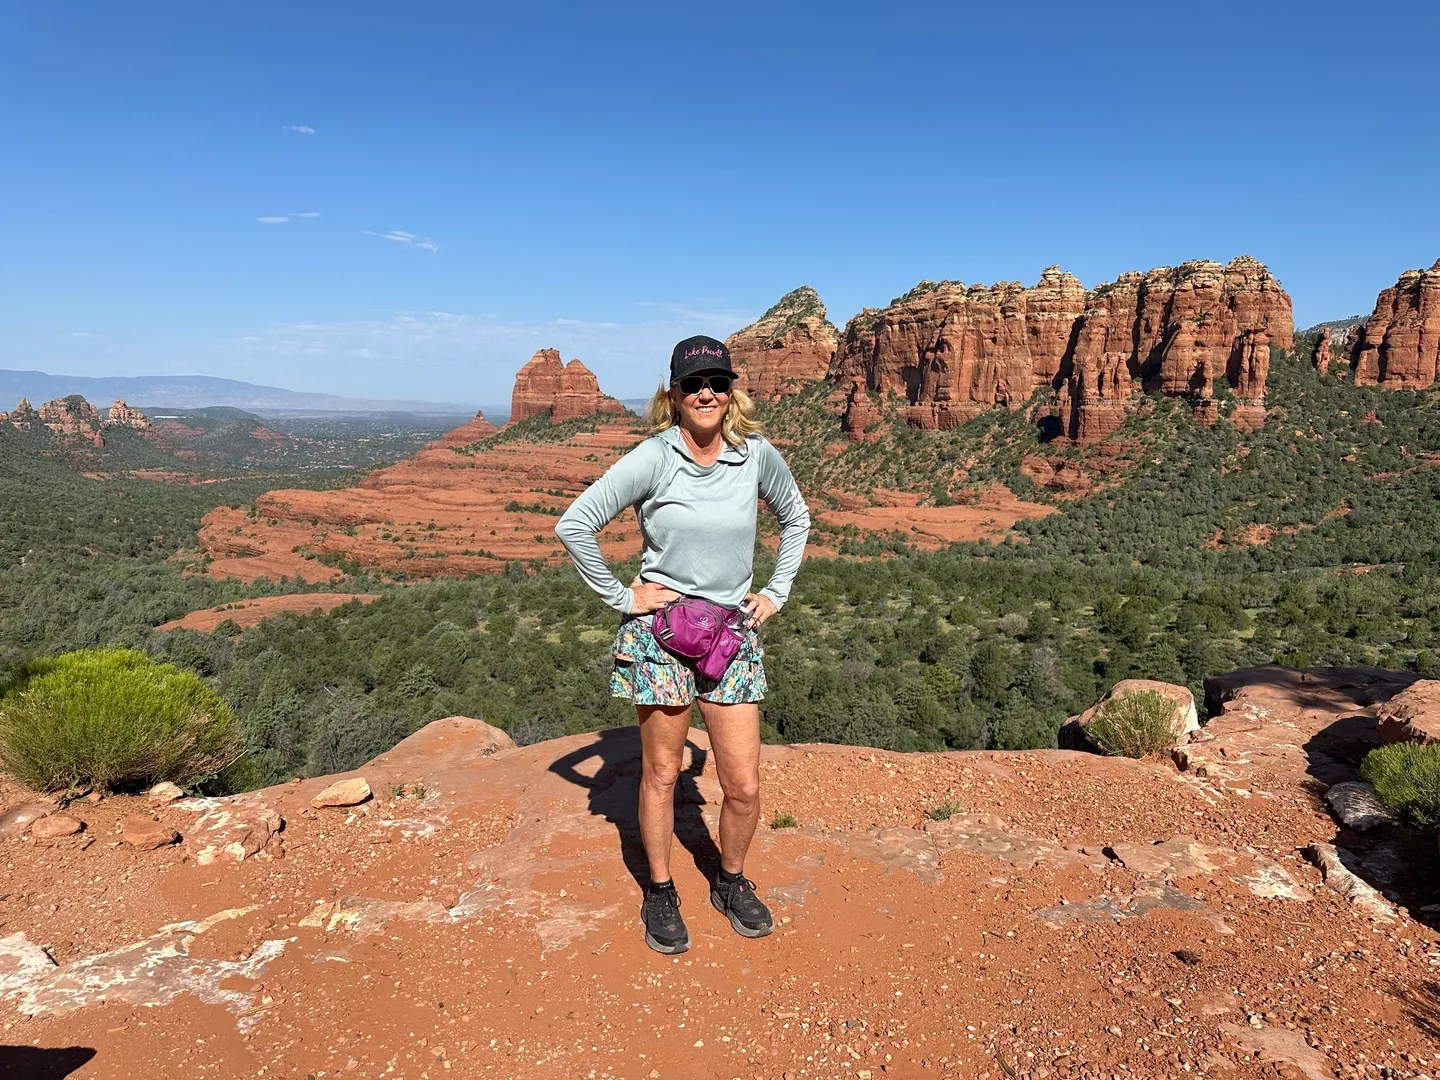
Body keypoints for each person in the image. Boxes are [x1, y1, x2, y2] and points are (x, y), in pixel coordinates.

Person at [554, 334, 811, 954]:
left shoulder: (755, 457)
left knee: (744, 784)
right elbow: (575, 523)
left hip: (731, 634)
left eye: (718, 383)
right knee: (665, 773)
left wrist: (775, 592)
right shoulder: (654, 457)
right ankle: (662, 892)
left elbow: (796, 518)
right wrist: (624, 597)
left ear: (731, 391)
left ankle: (729, 879)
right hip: (663, 634)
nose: (706, 392)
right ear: (673, 393)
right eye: (694, 383)